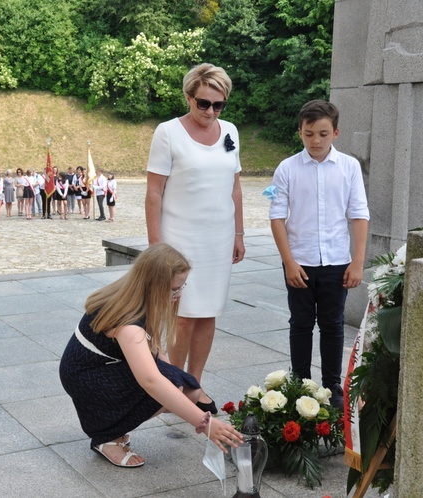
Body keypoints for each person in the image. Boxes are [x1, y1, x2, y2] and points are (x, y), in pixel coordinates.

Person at [59, 243, 243, 468]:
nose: (178, 295)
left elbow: (152, 342)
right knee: (169, 389)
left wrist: (172, 374)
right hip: (86, 377)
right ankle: (108, 437)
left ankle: (116, 424)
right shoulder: (127, 324)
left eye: (182, 286)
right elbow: (150, 380)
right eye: (174, 289)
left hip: (101, 364)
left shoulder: (133, 295)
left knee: (190, 390)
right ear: (153, 286)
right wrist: (204, 423)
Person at [145, 63, 245, 414]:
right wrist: (157, 245)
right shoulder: (168, 132)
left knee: (208, 313)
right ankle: (173, 384)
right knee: (182, 315)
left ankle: (195, 382)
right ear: (188, 97)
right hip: (180, 238)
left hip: (218, 237)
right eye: (203, 103)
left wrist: (239, 233)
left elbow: (234, 186)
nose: (211, 112)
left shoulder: (230, 131)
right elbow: (154, 193)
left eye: (218, 105)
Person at [269, 100, 370, 410]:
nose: (315, 141)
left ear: (335, 133)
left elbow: (358, 214)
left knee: (333, 324)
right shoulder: (287, 168)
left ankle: (331, 387)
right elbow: (277, 217)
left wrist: (357, 261)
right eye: (309, 133)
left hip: (337, 262)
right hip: (299, 262)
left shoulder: (349, 167)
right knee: (300, 324)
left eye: (323, 134)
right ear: (300, 131)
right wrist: (288, 262)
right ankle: (300, 385)